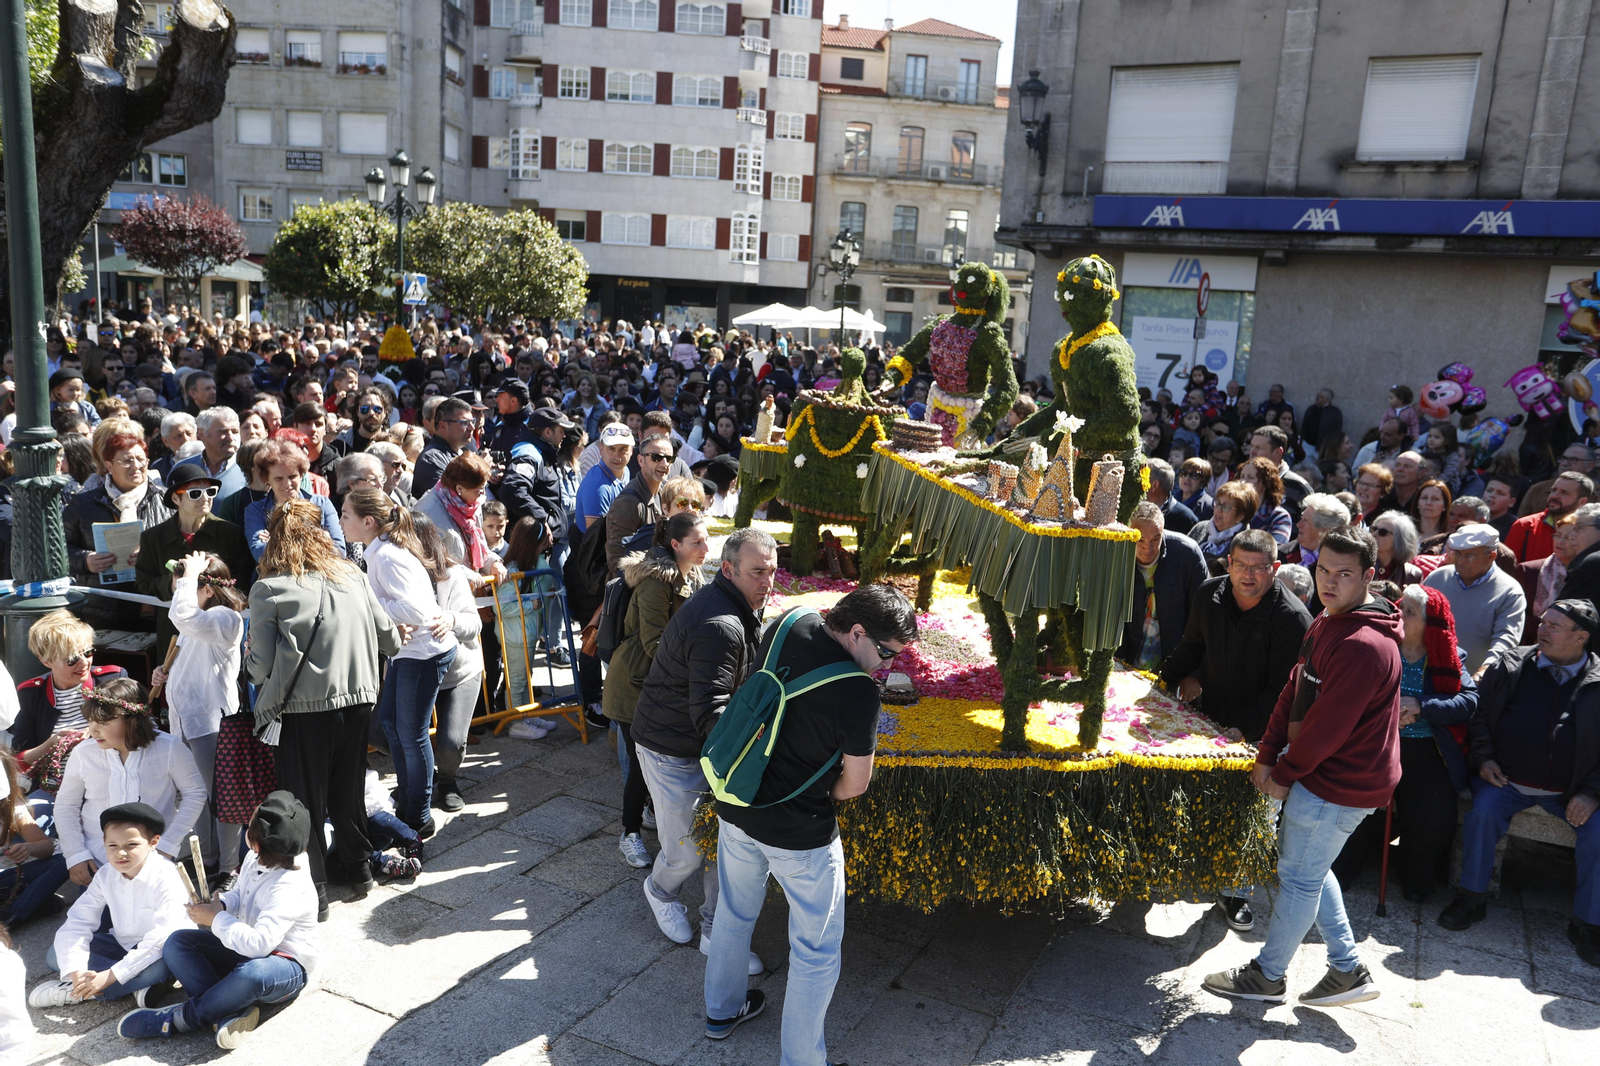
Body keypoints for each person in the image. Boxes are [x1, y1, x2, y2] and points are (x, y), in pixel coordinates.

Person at [704, 584, 917, 1056]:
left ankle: (721, 1010)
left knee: (734, 912)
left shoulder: (789, 622)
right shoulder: (858, 692)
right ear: (857, 632)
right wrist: (821, 795)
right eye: (885, 652)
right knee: (816, 952)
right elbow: (855, 784)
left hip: (738, 799)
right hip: (800, 832)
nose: (886, 665)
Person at [1203, 525, 1401, 1007]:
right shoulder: (1327, 619)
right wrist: (1268, 753)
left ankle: (1267, 977)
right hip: (1318, 772)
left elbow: (1328, 729)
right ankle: (1347, 969)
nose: (1329, 582)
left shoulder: (1362, 644)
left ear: (1370, 577)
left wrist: (1282, 774)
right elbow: (1293, 691)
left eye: (1344, 574)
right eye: (1324, 570)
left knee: (1299, 877)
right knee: (1310, 868)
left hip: (1340, 782)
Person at [632, 527, 777, 973]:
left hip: (703, 747)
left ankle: (715, 931)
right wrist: (749, 757)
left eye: (772, 572)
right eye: (757, 572)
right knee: (688, 851)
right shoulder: (721, 624)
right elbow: (711, 711)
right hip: (671, 749)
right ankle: (659, 890)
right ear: (729, 570)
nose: (767, 582)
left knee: (722, 843)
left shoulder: (737, 607)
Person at [249, 500, 401, 917]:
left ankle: (313, 890)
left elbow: (259, 666)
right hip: (358, 701)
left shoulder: (269, 587)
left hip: (301, 710)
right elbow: (390, 637)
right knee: (347, 790)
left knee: (303, 802)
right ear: (320, 532)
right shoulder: (352, 574)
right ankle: (357, 868)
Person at [1159, 528, 1312, 932]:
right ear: (1228, 564)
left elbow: (1283, 691)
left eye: (1258, 568)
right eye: (1239, 565)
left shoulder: (1292, 619)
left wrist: (1242, 729)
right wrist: (1158, 686)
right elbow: (1192, 645)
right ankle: (1193, 868)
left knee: (1257, 814)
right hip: (1209, 718)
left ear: (1274, 569)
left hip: (1263, 730)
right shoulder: (1210, 593)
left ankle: (1237, 891)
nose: (1247, 575)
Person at [1437, 598, 1600, 971]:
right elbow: (1478, 716)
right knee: (1482, 814)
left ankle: (1588, 923)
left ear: (1581, 637)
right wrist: (1485, 759)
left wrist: (1592, 793)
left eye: (1554, 627)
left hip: (1571, 791)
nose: (1541, 630)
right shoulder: (1512, 666)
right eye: (1542, 622)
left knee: (1599, 832)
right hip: (1506, 780)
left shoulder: (1597, 682)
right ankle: (1471, 898)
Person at [119, 791, 320, 1048]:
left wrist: (216, 918)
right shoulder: (258, 856)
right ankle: (228, 1011)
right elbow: (240, 893)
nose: (246, 825)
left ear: (256, 843)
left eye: (249, 824)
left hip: (284, 965)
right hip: (241, 947)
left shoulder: (289, 885)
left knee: (253, 973)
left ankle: (182, 1018)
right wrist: (221, 903)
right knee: (177, 942)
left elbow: (260, 945)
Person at [1331, 585, 1478, 901]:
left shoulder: (1449, 658)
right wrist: (1387, 707)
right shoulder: (1381, 646)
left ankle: (1415, 876)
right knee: (1355, 804)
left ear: (1430, 623)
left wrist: (1420, 705)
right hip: (1375, 745)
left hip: (1425, 751)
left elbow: (1469, 700)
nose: (1400, 614)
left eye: (1410, 611)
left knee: (1432, 819)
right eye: (1400, 607)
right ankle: (1342, 871)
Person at [340, 489, 457, 836]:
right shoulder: (378, 552)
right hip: (408, 652)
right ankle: (407, 797)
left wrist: (371, 609)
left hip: (423, 653)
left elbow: (418, 611)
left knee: (412, 735)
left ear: (368, 522)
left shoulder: (387, 556)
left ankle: (418, 815)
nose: (341, 520)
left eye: (346, 515)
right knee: (390, 722)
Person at [603, 512, 711, 869]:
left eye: (706, 539)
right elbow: (654, 644)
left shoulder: (690, 573)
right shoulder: (656, 582)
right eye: (698, 542)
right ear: (676, 545)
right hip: (634, 682)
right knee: (640, 764)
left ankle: (649, 813)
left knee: (655, 762)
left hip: (658, 681)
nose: (706, 548)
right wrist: (697, 664)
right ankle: (629, 833)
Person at [147, 550, 247, 885]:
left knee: (222, 797)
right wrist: (164, 673)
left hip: (211, 721)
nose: (179, 591)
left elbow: (184, 616)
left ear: (205, 589)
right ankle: (208, 856)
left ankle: (229, 865)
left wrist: (189, 576)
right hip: (187, 720)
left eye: (184, 586)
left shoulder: (224, 618)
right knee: (197, 795)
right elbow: (188, 654)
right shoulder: (200, 617)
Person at [29, 802, 190, 1008]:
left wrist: (111, 976)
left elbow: (161, 938)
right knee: (56, 955)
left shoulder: (166, 875)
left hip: (162, 951)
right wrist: (77, 972)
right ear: (104, 842)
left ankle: (78, 993)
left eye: (131, 845)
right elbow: (78, 921)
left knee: (160, 967)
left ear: (153, 842)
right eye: (113, 846)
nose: (121, 853)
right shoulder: (106, 874)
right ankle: (133, 986)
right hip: (120, 946)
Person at [55, 679, 208, 891]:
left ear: (133, 720)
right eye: (91, 721)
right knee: (95, 923)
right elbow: (66, 805)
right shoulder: (83, 754)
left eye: (104, 723)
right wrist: (75, 854)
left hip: (153, 862)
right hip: (98, 864)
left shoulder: (169, 748)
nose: (94, 730)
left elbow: (195, 793)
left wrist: (167, 845)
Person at [63, 418, 172, 627]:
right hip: (101, 606)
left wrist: (153, 557)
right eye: (127, 461)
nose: (136, 466)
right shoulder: (84, 502)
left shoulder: (167, 500)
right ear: (109, 465)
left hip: (155, 604)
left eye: (141, 460)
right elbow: (58, 548)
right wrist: (85, 560)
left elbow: (184, 544)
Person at [414, 515, 483, 815]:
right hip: (415, 670)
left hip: (459, 669)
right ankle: (425, 773)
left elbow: (473, 623)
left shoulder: (451, 575)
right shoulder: (390, 571)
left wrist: (451, 619)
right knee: (384, 732)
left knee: (452, 743)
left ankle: (448, 780)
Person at [1423, 524, 1526, 678]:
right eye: (1457, 554)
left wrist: (1485, 670)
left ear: (1491, 557)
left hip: (1473, 683)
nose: (1461, 561)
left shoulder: (1509, 591)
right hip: (1428, 674)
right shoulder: (1437, 577)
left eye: (1469, 556)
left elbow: (1506, 639)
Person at [1118, 502, 1205, 670]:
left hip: (1174, 663)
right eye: (1140, 540)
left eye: (1155, 539)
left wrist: (1193, 673)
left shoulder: (1187, 553)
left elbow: (1203, 619)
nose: (1148, 548)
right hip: (1124, 662)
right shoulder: (1116, 553)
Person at [243, 439, 345, 562]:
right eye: (279, 479)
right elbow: (262, 555)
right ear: (267, 479)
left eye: (292, 476)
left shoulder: (322, 504)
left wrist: (276, 541)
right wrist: (319, 538)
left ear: (301, 475)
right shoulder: (255, 510)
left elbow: (339, 552)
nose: (287, 484)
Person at [0, 750, 68, 927]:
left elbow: (46, 847)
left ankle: (12, 916)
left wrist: (28, 848)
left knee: (63, 862)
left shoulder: (11, 807)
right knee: (50, 904)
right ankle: (31, 906)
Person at [415, 452, 498, 577]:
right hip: (445, 590)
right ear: (460, 489)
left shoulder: (472, 504)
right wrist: (466, 575)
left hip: (471, 587)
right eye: (479, 490)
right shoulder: (426, 512)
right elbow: (431, 561)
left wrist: (493, 563)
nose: (483, 495)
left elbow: (480, 546)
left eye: (484, 488)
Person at [606, 433, 675, 574]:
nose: (664, 464)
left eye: (669, 458)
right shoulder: (628, 502)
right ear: (641, 460)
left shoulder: (663, 492)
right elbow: (616, 560)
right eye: (656, 457)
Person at [1506, 471, 1593, 563]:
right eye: (1553, 490)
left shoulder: (1589, 532)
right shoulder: (1525, 525)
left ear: (1582, 502)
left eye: (1564, 493)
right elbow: (1507, 567)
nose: (1555, 496)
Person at [1190, 481, 1257, 576]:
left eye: (1225, 507)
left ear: (1240, 516)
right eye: (1218, 503)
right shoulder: (1200, 528)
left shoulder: (1247, 543)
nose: (1218, 510)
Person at [412, 396, 474, 497]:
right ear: (443, 426)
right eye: (465, 423)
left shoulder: (464, 452)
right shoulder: (431, 458)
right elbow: (449, 498)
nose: (472, 427)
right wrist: (479, 470)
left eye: (472, 422)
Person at [1250, 426, 1311, 524]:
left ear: (1277, 452)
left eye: (1258, 448)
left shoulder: (1298, 487)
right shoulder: (1242, 479)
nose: (1252, 452)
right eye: (1252, 446)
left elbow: (1309, 526)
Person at [1517, 443, 1594, 518]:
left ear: (1589, 466)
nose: (1565, 463)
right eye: (1563, 458)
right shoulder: (1538, 489)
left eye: (1573, 459)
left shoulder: (1596, 496)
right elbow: (1522, 522)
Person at [1237, 457, 1294, 545]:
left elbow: (1275, 549)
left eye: (1250, 478)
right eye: (1242, 476)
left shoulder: (1280, 517)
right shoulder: (1232, 508)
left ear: (1265, 484)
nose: (1243, 482)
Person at [194, 407, 246, 498]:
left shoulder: (251, 469)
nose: (230, 438)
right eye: (223, 432)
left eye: (235, 432)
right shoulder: (184, 467)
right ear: (201, 434)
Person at [1143, 458, 1197, 532]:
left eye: (1143, 479)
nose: (1138, 484)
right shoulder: (1135, 510)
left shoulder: (1186, 519)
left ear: (1154, 485)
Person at [1370, 511, 1422, 586]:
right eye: (1374, 529)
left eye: (1383, 532)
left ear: (1399, 539)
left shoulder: (1412, 575)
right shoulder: (1361, 565)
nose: (1374, 534)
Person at [1175, 456, 1214, 522]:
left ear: (1203, 481)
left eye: (1194, 475)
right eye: (1183, 473)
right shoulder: (1171, 498)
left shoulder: (1209, 506)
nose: (1187, 478)